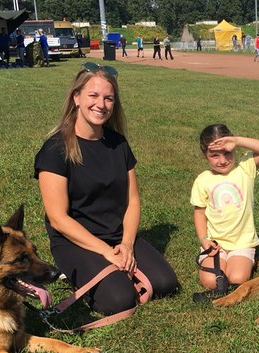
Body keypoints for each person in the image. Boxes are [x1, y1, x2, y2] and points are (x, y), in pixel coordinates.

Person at [34, 62, 180, 317]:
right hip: (75, 242)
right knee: (119, 300)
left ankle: (118, 267)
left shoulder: (118, 144)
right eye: (93, 95)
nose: (101, 104)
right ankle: (79, 272)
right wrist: (105, 253)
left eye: (108, 98)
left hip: (116, 236)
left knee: (166, 284)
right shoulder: (55, 150)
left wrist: (126, 244)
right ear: (76, 97)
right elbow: (58, 219)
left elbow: (133, 201)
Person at [190, 124, 259, 301]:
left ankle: (238, 262)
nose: (222, 160)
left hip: (242, 243)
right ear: (205, 155)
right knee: (211, 281)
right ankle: (221, 264)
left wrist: (236, 141)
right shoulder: (202, 180)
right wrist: (205, 241)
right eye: (214, 155)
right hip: (216, 244)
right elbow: (199, 213)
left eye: (227, 153)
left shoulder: (245, 168)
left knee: (238, 278)